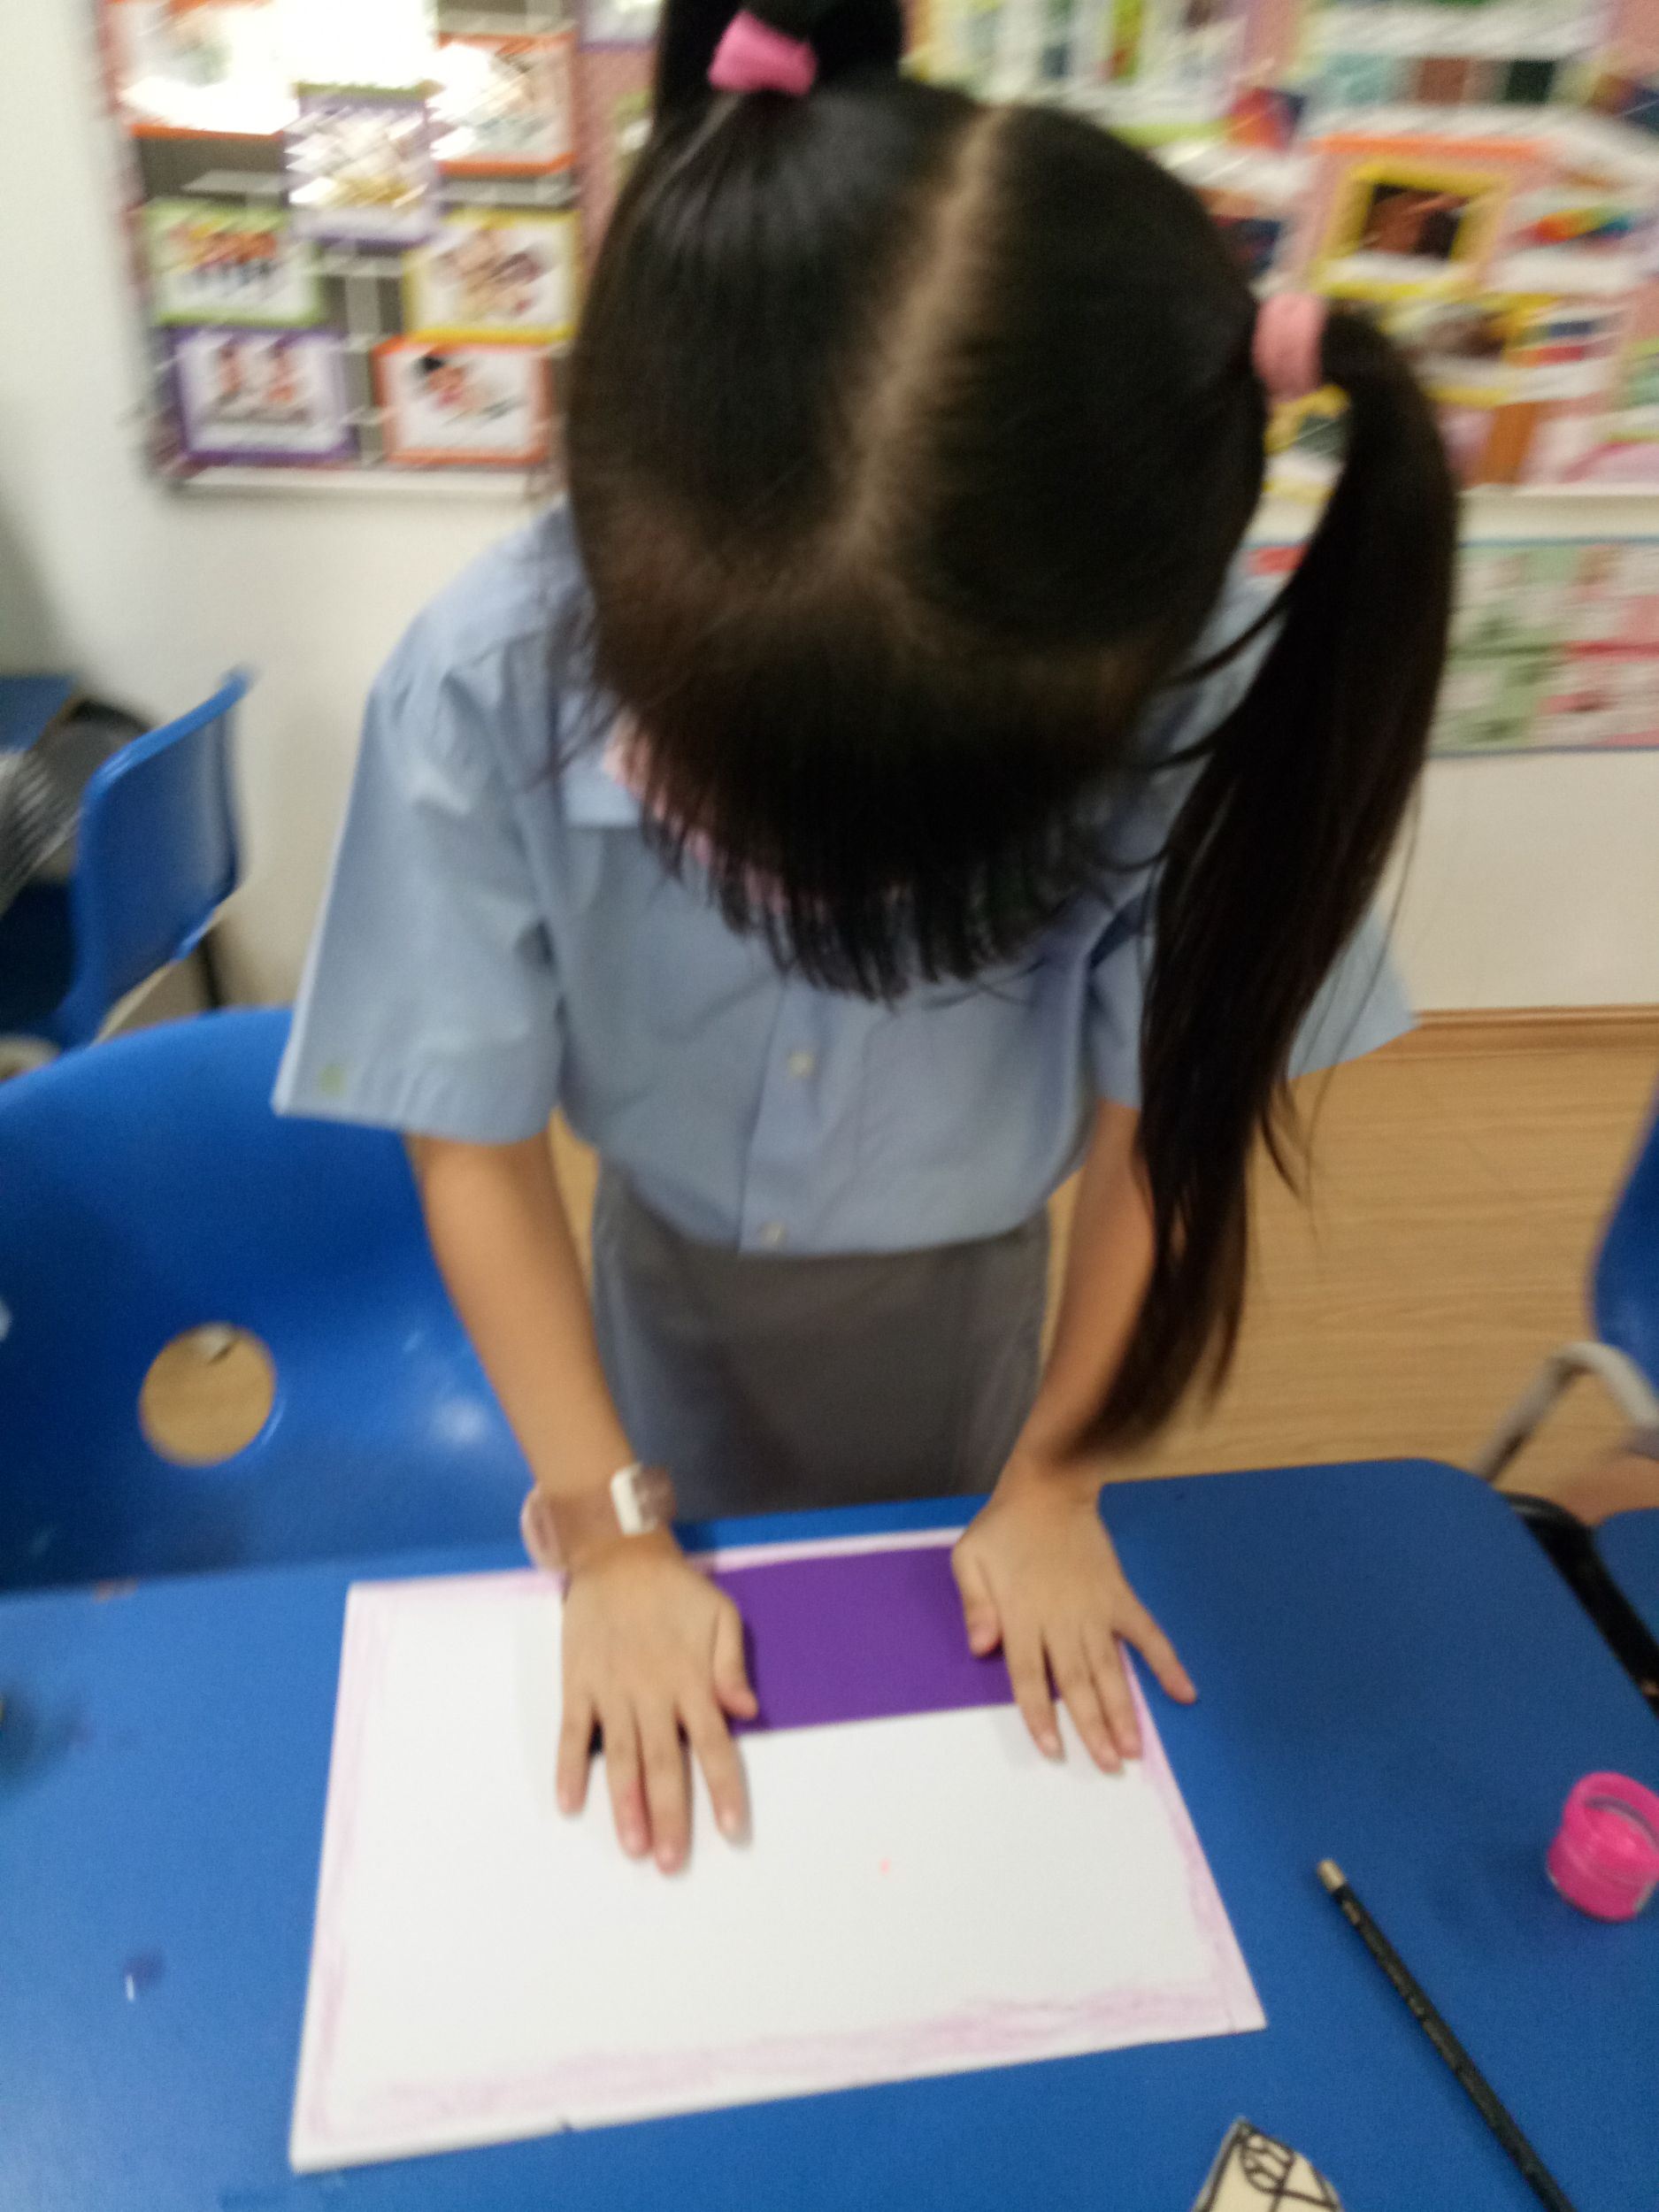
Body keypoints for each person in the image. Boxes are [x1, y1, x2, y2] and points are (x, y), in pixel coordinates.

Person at [277, 0, 1455, 1873]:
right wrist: (609, 1525)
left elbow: (1160, 1147)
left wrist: (1055, 1471)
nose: (812, 906)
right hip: (661, 1281)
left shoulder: (1173, 703)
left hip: (971, 1299)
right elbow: (469, 1143)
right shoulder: (486, 678)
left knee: (932, 1748)